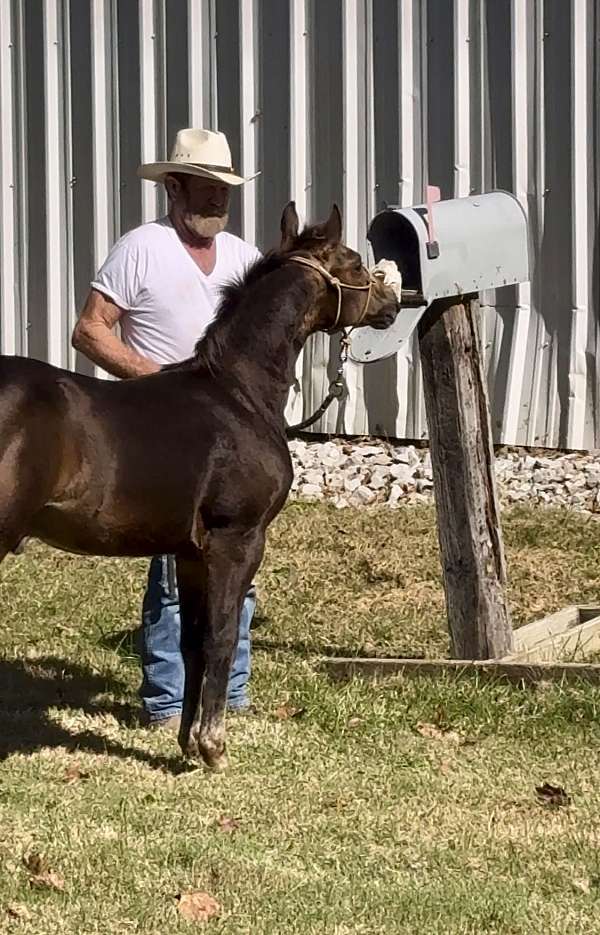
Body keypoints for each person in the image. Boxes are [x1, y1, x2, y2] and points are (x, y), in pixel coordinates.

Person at [72, 128, 261, 729]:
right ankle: (163, 698)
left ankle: (229, 692)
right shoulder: (142, 247)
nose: (214, 202)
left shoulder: (242, 257)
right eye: (204, 189)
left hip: (233, 433)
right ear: (173, 187)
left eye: (223, 191)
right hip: (161, 424)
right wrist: (156, 379)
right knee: (174, 568)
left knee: (236, 557)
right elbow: (91, 330)